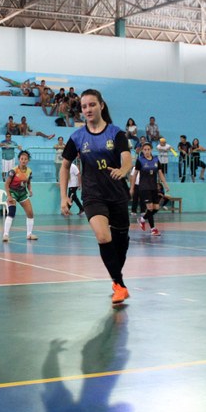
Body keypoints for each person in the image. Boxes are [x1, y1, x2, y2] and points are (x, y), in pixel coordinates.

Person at [59, 89, 133, 306]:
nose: (88, 109)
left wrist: (123, 170)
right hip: (93, 195)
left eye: (92, 104)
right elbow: (65, 167)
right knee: (102, 236)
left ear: (101, 105)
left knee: (121, 242)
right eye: (84, 106)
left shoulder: (116, 134)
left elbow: (127, 158)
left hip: (117, 194)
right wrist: (63, 197)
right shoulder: (77, 137)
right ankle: (119, 285)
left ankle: (116, 277)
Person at [132, 143, 171, 236]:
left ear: (151, 150)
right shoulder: (140, 160)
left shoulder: (156, 160)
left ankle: (142, 219)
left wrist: (165, 184)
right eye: (145, 149)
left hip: (153, 187)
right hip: (144, 187)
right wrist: (132, 187)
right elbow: (135, 174)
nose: (147, 151)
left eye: (148, 149)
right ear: (142, 150)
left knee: (156, 208)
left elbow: (160, 173)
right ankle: (153, 229)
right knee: (150, 208)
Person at [2, 150, 37, 241]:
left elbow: (28, 183)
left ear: (28, 160)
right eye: (22, 159)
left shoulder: (29, 171)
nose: (23, 160)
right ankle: (5, 235)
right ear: (19, 159)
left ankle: (29, 234)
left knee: (30, 213)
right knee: (12, 212)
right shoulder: (13, 171)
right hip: (13, 193)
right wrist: (9, 196)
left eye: (25, 159)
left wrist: (30, 190)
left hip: (22, 194)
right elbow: (6, 184)